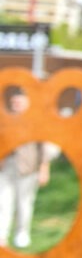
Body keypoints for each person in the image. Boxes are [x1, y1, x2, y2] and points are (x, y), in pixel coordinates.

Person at [0, 91, 59, 249]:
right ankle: (2, 237)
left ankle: (21, 234)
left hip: (28, 168)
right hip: (7, 167)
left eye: (18, 102)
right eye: (13, 103)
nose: (15, 105)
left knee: (24, 202)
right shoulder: (6, 120)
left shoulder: (36, 121)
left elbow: (45, 146)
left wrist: (44, 168)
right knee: (3, 202)